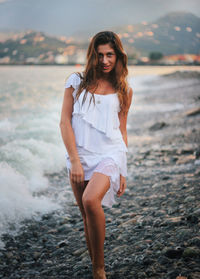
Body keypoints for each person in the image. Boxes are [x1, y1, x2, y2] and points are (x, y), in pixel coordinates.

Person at [60, 31, 133, 279]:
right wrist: (75, 161)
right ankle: (95, 265)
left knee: (91, 201)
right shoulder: (76, 82)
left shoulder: (124, 89)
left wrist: (122, 170)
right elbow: (64, 124)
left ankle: (98, 269)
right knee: (86, 214)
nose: (104, 60)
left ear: (118, 56)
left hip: (110, 155)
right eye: (100, 55)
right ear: (93, 55)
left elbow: (121, 130)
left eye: (110, 54)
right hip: (80, 156)